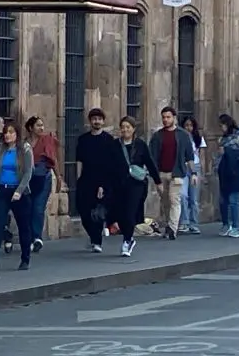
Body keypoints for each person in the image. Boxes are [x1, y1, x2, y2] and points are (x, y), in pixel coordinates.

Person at [0, 119, 33, 271]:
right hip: (2, 189)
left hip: (18, 191)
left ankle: (25, 258)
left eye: (11, 132)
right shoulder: (0, 148)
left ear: (17, 134)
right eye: (6, 132)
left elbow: (27, 172)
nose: (7, 135)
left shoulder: (25, 149)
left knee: (23, 226)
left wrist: (19, 191)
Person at [73, 108, 121, 252]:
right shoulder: (83, 139)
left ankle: (97, 241)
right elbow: (79, 160)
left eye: (99, 119)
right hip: (86, 179)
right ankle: (94, 236)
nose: (97, 121)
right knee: (83, 211)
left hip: (102, 180)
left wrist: (104, 185)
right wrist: (78, 177)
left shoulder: (109, 140)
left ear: (103, 121)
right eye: (94, 119)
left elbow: (110, 164)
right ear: (90, 121)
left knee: (98, 213)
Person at [147, 106, 196, 240]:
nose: (165, 120)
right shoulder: (157, 136)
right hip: (161, 173)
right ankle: (169, 224)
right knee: (165, 201)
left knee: (174, 200)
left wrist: (194, 173)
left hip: (177, 173)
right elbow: (151, 156)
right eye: (163, 117)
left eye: (168, 117)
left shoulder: (183, 135)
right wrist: (152, 173)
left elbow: (189, 155)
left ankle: (172, 228)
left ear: (174, 118)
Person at [115, 115, 157, 257]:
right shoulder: (115, 145)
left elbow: (150, 162)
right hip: (119, 184)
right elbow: (108, 165)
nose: (125, 130)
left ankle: (127, 240)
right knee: (120, 214)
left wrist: (157, 181)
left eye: (128, 127)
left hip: (136, 184)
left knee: (130, 212)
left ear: (133, 129)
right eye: (123, 127)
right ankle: (128, 237)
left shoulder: (140, 144)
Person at [25, 115, 61, 252]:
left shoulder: (47, 140)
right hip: (28, 179)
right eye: (38, 125)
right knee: (28, 208)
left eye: (42, 125)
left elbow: (53, 159)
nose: (41, 128)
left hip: (43, 177)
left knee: (38, 208)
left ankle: (37, 237)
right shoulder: (24, 143)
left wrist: (58, 177)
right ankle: (28, 238)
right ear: (30, 128)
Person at [215, 114, 239, 238]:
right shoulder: (222, 139)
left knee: (233, 197)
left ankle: (236, 226)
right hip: (224, 169)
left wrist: (229, 152)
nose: (221, 128)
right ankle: (226, 224)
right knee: (223, 198)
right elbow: (219, 156)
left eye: (222, 125)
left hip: (238, 168)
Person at [178, 116, 206, 234]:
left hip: (195, 167)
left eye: (190, 125)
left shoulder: (198, 139)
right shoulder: (180, 138)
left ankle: (194, 223)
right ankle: (184, 222)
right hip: (183, 167)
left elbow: (202, 156)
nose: (188, 128)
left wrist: (202, 172)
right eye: (186, 125)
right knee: (183, 196)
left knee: (193, 198)